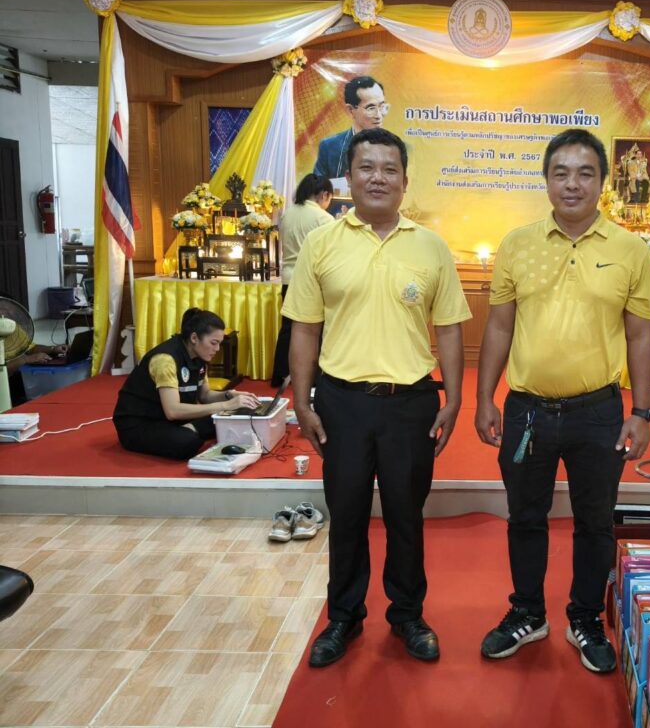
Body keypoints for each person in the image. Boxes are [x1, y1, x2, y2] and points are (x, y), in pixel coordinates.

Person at [285, 128, 471, 667]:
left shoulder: (430, 247)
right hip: (341, 402)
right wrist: (302, 401)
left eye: (390, 169)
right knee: (345, 514)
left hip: (410, 403)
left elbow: (450, 329)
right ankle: (343, 617)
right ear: (348, 176)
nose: (378, 178)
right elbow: (304, 328)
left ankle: (408, 614)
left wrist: (453, 399)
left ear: (405, 180)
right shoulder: (322, 243)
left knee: (405, 515)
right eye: (367, 167)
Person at [475, 128, 650, 674]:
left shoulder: (630, 250)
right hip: (527, 410)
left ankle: (585, 618)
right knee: (525, 517)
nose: (572, 184)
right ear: (547, 180)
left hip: (598, 413)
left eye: (584, 173)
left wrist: (641, 412)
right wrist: (485, 397)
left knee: (595, 521)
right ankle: (528, 612)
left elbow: (640, 335)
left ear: (602, 182)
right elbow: (499, 327)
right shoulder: (517, 245)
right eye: (561, 173)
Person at [113, 308, 261, 460]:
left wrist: (229, 395)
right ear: (194, 338)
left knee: (228, 418)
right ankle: (187, 431)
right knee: (187, 442)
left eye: (219, 344)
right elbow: (173, 411)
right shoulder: (165, 360)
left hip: (169, 420)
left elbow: (205, 396)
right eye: (214, 343)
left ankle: (189, 429)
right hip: (140, 424)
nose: (217, 349)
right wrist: (225, 405)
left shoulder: (200, 356)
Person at [270, 173, 334, 387]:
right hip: (312, 280)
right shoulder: (323, 218)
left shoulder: (288, 215)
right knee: (314, 330)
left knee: (288, 329)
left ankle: (280, 375)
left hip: (288, 278)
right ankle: (313, 378)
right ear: (324, 194)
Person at [312, 76, 388, 180]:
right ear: (351, 110)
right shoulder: (330, 147)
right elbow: (317, 187)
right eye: (371, 108)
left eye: (382, 106)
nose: (379, 115)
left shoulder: (395, 148)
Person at [3, 325, 66, 407]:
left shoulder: (11, 326)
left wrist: (52, 349)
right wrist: (27, 359)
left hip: (20, 379)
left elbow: (31, 348)